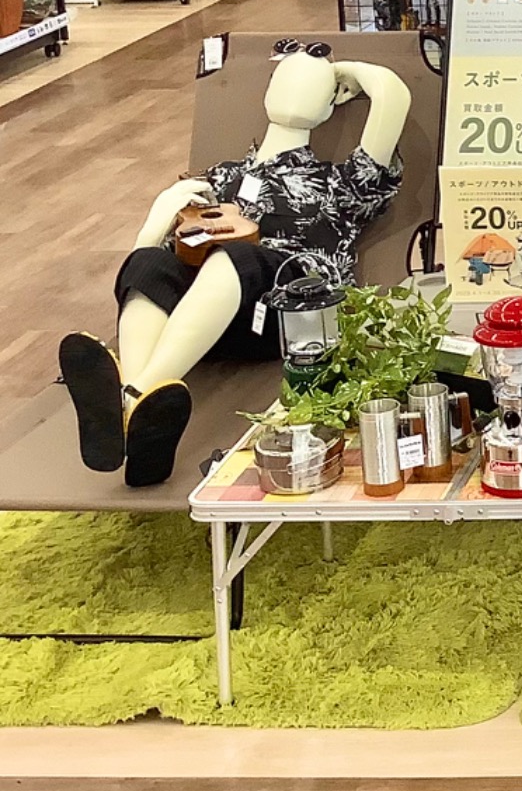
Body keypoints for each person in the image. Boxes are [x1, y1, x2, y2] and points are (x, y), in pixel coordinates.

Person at [59, 43, 406, 486]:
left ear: (332, 101)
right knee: (149, 261)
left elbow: (393, 94)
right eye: (286, 71)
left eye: (315, 77)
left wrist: (342, 69)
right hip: (204, 323)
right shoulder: (218, 178)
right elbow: (146, 271)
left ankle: (128, 396)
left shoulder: (340, 184)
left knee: (235, 257)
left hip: (292, 319)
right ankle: (142, 419)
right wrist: (156, 218)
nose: (298, 76)